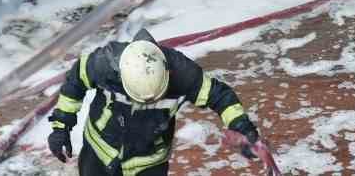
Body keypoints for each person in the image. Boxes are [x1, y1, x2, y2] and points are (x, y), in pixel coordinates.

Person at [47, 29, 264, 175]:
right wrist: (61, 127)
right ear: (121, 76)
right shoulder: (104, 64)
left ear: (167, 74)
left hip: (149, 163)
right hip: (99, 152)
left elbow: (220, 96)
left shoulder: (183, 74)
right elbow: (75, 82)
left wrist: (242, 127)